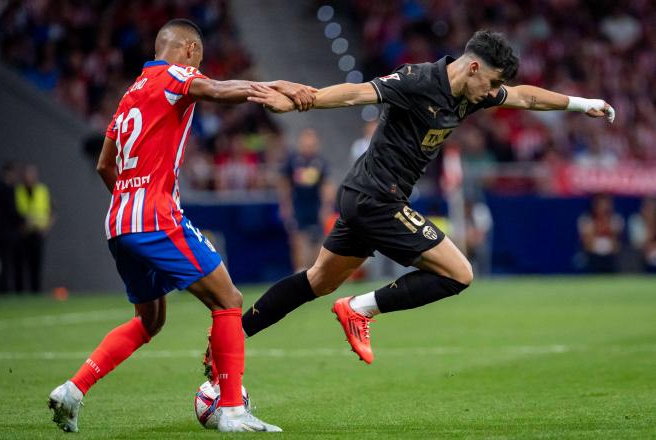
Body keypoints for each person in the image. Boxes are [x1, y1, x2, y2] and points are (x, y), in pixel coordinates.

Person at [241, 30, 615, 364]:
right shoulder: (417, 80)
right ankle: (359, 308)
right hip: (375, 198)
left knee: (318, 280)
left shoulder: (473, 94)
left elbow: (525, 98)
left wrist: (581, 103)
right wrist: (303, 101)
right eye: (491, 82)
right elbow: (358, 92)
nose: (492, 92)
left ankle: (232, 336)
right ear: (472, 67)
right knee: (459, 273)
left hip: (370, 198)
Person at [47, 18, 316, 433]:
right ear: (189, 50)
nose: (199, 68)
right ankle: (231, 409)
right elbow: (218, 90)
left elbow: (104, 163)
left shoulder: (129, 95)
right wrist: (272, 87)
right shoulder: (175, 73)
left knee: (150, 321)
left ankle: (73, 389)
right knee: (228, 298)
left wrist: (128, 199)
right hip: (155, 216)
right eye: (200, 60)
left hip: (119, 220)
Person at [278, 128, 335, 271]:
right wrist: (286, 206)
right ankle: (299, 271)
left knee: (318, 242)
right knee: (297, 240)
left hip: (315, 206)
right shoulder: (293, 161)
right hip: (298, 206)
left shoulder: (321, 162)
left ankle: (314, 272)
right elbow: (284, 185)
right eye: (306, 142)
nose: (309, 145)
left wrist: (326, 208)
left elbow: (327, 186)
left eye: (312, 143)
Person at [14, 164, 53, 293]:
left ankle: (36, 293)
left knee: (36, 265)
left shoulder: (42, 190)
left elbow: (51, 211)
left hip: (37, 233)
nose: (29, 178)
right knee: (20, 265)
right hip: (23, 234)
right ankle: (19, 294)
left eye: (31, 175)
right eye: (27, 175)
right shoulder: (18, 191)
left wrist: (46, 227)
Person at [577, 194, 624, 273]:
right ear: (595, 207)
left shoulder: (616, 220)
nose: (603, 209)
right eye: (601, 206)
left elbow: (616, 245)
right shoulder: (586, 220)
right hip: (593, 257)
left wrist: (607, 225)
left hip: (611, 257)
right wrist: (597, 227)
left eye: (606, 206)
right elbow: (588, 244)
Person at [0, 162, 22, 293]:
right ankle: (4, 290)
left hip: (4, 231)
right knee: (5, 263)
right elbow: (11, 211)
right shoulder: (6, 189)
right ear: (8, 172)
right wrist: (24, 220)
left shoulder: (2, 188)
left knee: (6, 263)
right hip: (4, 232)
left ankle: (5, 289)